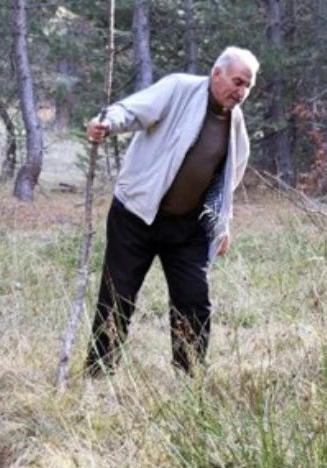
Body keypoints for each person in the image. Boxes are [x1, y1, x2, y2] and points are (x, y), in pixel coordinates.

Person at [84, 46, 259, 376]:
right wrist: (105, 123)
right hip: (135, 215)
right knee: (117, 297)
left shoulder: (235, 123)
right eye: (237, 81)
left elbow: (226, 180)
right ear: (216, 73)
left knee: (194, 302)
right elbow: (133, 111)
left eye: (247, 86)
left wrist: (221, 225)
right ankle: (98, 376)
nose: (241, 92)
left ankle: (189, 378)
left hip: (187, 227)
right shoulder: (179, 89)